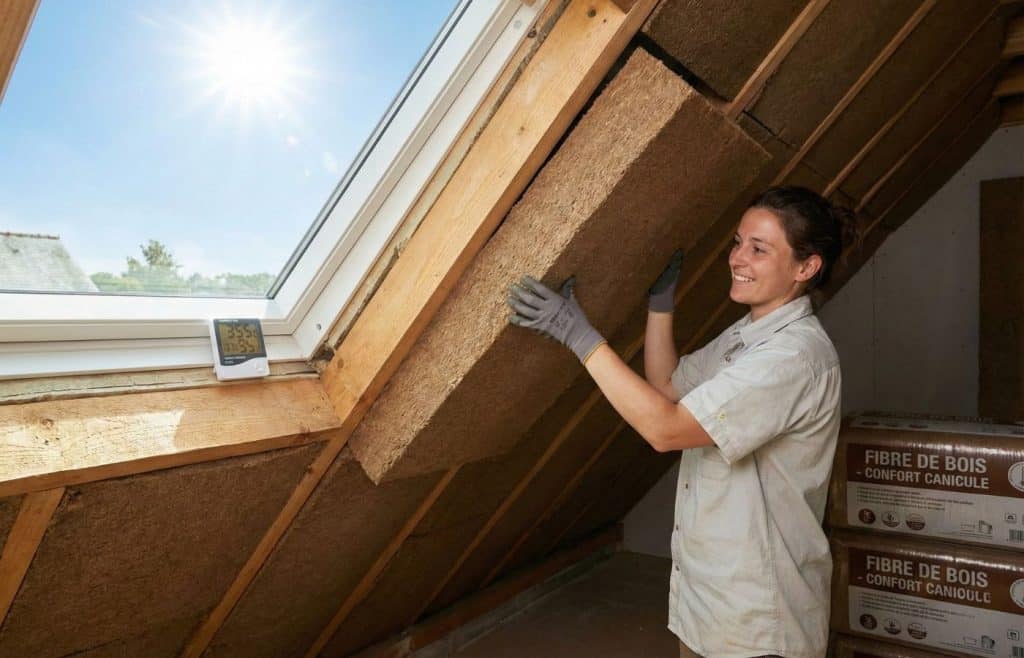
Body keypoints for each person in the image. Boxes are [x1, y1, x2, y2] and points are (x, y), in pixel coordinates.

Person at [506, 186, 857, 658]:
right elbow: (668, 387)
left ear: (805, 267)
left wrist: (578, 335)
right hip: (710, 601)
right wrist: (660, 306)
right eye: (737, 242)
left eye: (758, 249)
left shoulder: (791, 357)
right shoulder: (748, 333)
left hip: (757, 619)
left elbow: (665, 429)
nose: (737, 258)